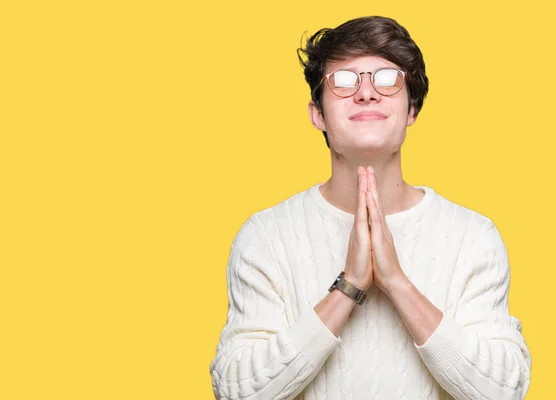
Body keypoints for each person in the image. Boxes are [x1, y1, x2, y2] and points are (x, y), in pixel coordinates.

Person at [209, 15, 532, 400]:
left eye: (386, 79)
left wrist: (396, 281)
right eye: (344, 81)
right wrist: (349, 287)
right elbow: (235, 390)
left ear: (412, 110)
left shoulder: (473, 237)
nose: (366, 93)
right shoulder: (266, 236)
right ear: (317, 113)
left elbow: (504, 390)